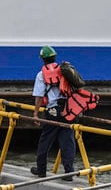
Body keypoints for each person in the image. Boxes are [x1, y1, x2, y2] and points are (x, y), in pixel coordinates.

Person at [30, 46, 75, 181]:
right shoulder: (65, 70)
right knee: (67, 141)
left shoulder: (41, 74)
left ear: (43, 60)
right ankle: (69, 172)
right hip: (68, 109)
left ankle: (41, 170)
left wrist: (36, 114)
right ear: (55, 57)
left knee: (46, 140)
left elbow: (38, 95)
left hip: (53, 110)